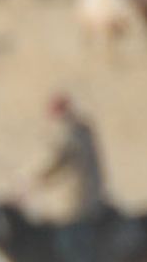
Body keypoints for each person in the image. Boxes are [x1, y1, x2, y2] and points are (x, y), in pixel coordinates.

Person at [33, 93, 111, 224]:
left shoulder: (68, 131)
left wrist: (37, 180)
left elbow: (59, 160)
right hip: (94, 192)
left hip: (76, 198)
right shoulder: (82, 129)